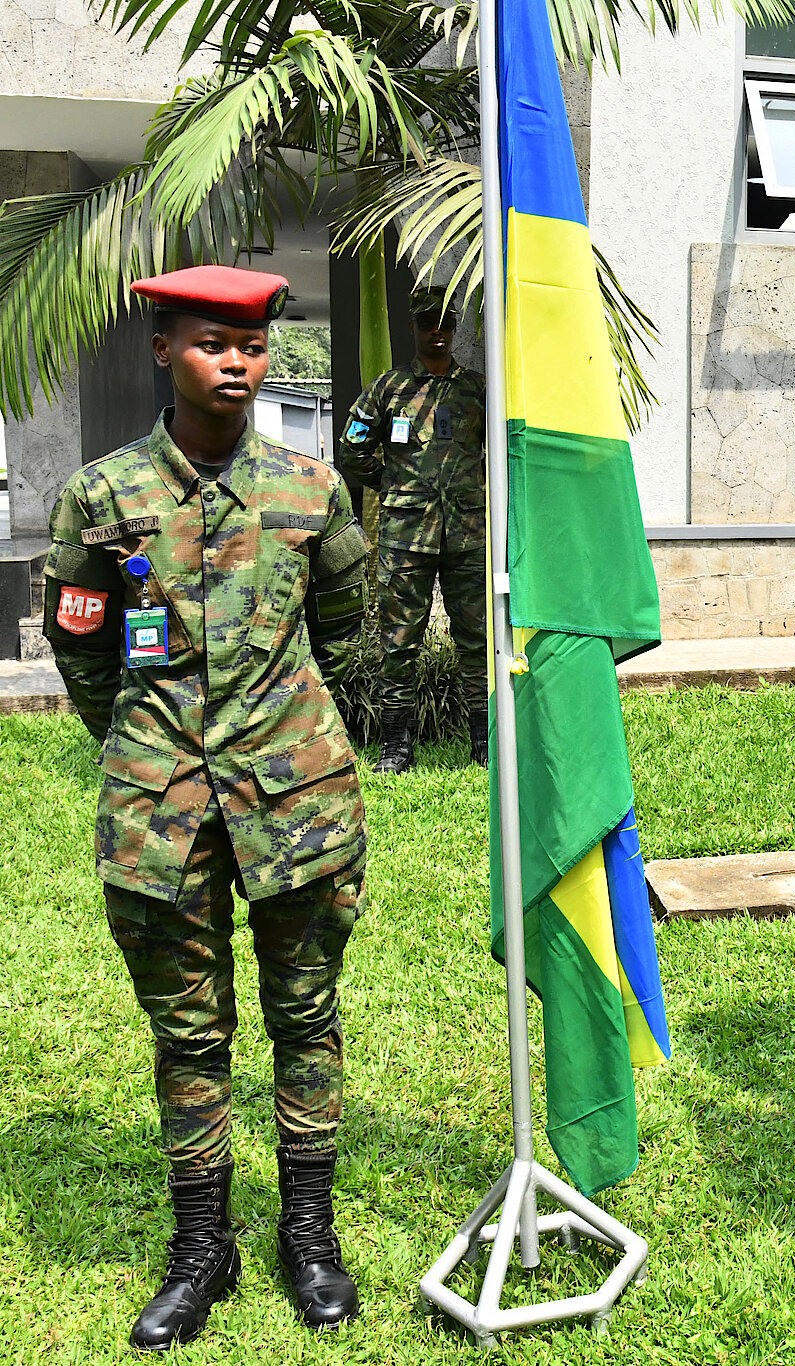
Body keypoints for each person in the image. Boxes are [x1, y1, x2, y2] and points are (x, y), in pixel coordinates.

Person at [42, 265, 371, 1348]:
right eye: (211, 343)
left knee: (305, 1016)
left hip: (297, 803)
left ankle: (308, 1235)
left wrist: (284, 728)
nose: (237, 363)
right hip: (161, 811)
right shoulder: (103, 497)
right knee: (188, 1032)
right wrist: (150, 745)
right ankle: (202, 1247)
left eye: (253, 346)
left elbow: (347, 627)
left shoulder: (312, 491)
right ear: (161, 351)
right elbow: (82, 646)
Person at [337, 284, 489, 772]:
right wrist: (393, 484)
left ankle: (484, 742)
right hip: (406, 538)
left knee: (477, 640)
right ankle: (396, 746)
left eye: (445, 322)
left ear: (455, 327)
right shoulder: (389, 389)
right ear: (413, 327)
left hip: (468, 535)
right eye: (427, 322)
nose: (437, 331)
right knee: (398, 642)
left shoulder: (478, 389)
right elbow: (353, 449)